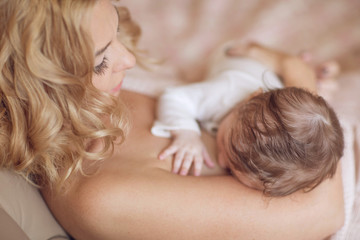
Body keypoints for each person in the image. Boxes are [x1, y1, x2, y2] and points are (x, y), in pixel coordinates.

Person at [0, 0, 344, 239]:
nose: (129, 59)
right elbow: (325, 210)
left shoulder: (95, 98)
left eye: (116, 31)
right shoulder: (104, 197)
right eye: (100, 61)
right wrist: (299, 84)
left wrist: (296, 90)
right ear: (37, 88)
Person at [151, 42, 344, 197]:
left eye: (232, 172)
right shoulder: (224, 92)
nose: (222, 162)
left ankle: (307, 71)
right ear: (248, 99)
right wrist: (186, 132)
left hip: (272, 78)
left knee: (309, 117)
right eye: (227, 147)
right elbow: (174, 97)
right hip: (236, 54)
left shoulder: (257, 115)